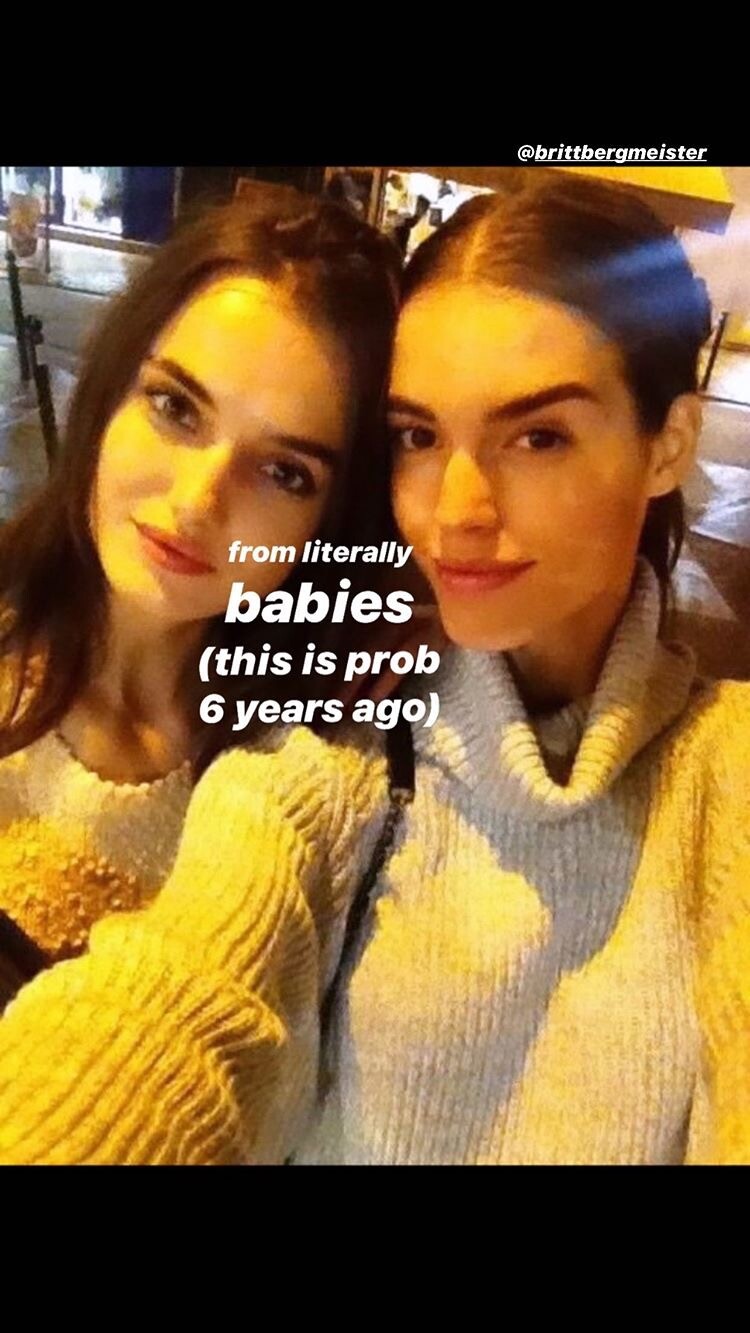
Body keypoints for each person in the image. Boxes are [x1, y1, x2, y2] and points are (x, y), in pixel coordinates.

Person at [0, 174, 747, 1166]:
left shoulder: (725, 773)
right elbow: (182, 1003)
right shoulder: (335, 745)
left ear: (670, 444)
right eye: (418, 437)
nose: (460, 509)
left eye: (538, 435)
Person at [0, 188, 400, 966]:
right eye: (175, 408)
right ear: (111, 390)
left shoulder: (317, 771)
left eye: (284, 472)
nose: (197, 501)